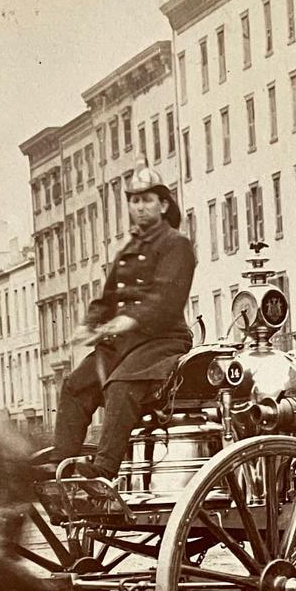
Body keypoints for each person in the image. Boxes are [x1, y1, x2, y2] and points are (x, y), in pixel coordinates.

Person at [51, 166, 197, 479]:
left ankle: (103, 470)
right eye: (134, 201)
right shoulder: (130, 249)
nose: (139, 207)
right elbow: (105, 300)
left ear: (163, 205)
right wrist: (89, 324)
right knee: (75, 386)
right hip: (123, 345)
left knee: (121, 386)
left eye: (146, 200)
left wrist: (129, 320)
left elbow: (165, 299)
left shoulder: (177, 244)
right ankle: (61, 466)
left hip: (163, 342)